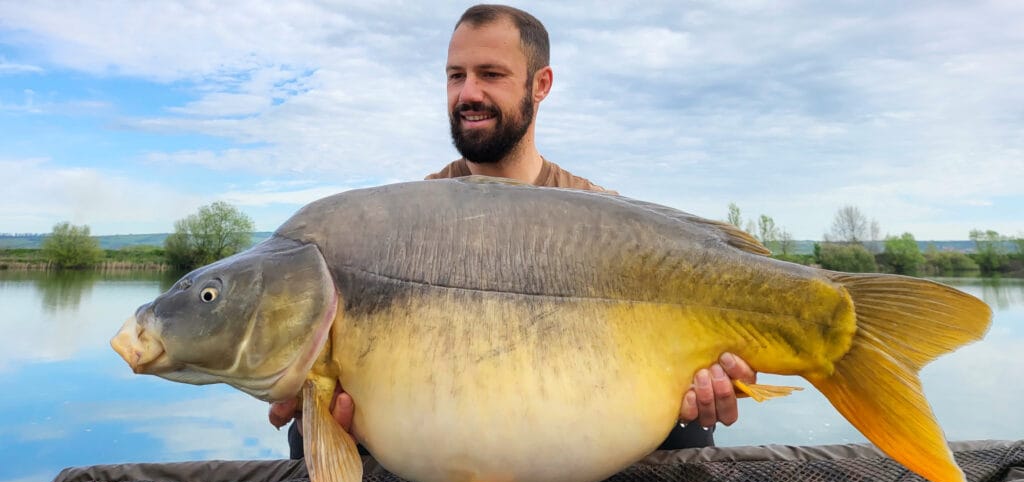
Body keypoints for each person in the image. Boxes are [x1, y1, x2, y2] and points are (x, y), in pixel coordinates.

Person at [269, 4, 756, 453]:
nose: (468, 93)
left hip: (582, 436)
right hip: (448, 446)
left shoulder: (602, 217)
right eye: (455, 76)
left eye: (491, 75)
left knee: (689, 429)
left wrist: (713, 385)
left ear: (540, 85)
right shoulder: (406, 225)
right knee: (307, 431)